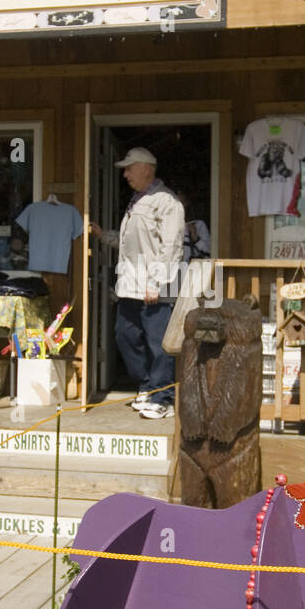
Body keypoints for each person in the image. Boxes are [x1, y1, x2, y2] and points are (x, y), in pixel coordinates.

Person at [90, 148, 184, 419]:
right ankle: (148, 386)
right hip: (130, 286)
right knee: (125, 335)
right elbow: (130, 243)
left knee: (159, 344)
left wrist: (157, 282)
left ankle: (162, 397)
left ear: (146, 168)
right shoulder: (138, 200)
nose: (125, 174)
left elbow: (172, 246)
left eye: (129, 168)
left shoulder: (167, 202)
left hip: (155, 288)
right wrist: (103, 236)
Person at [177, 192, 211, 262]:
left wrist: (196, 239)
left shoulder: (198, 224)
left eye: (182, 203)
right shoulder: (166, 225)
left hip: (193, 269)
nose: (178, 207)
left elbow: (210, 252)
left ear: (187, 203)